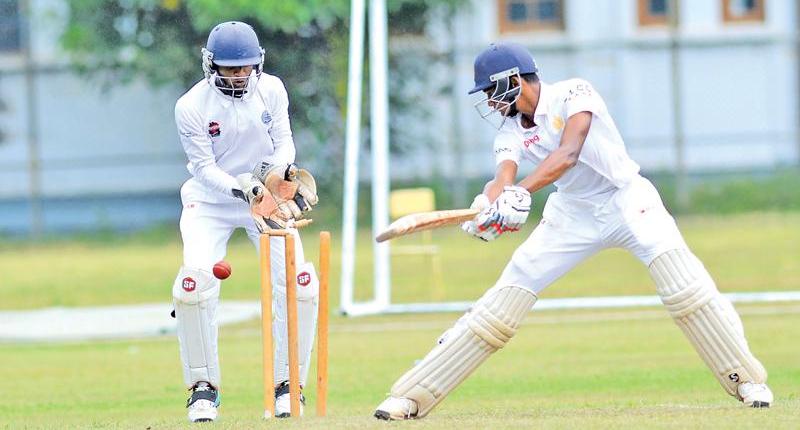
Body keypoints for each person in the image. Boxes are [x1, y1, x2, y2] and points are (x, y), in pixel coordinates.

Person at [374, 42, 773, 420]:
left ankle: (749, 383)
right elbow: (503, 175)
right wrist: (489, 205)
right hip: (571, 213)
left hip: (627, 200)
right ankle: (412, 395)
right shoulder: (510, 130)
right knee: (503, 299)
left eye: (492, 90)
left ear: (514, 80)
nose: (490, 102)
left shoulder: (574, 93)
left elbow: (568, 153)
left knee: (686, 289)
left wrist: (518, 193)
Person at [172, 21, 319, 422]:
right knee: (193, 287)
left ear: (258, 64)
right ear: (211, 65)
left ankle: (289, 385)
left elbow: (284, 141)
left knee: (300, 285)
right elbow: (203, 168)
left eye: (245, 67)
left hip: (266, 198)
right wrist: (246, 190)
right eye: (229, 69)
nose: (239, 76)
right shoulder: (191, 106)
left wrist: (277, 177)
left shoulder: (271, 89)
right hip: (213, 199)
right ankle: (203, 388)